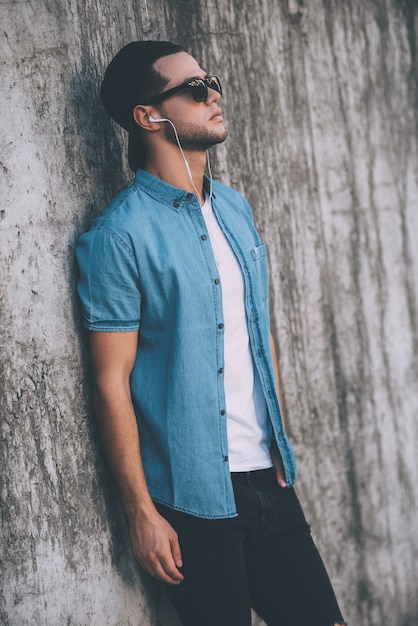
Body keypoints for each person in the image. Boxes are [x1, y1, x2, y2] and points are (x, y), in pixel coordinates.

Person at [76, 40, 347, 626]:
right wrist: (140, 512)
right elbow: (109, 380)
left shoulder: (234, 208)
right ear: (148, 116)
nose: (214, 95)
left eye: (213, 82)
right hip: (190, 496)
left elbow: (257, 331)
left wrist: (278, 433)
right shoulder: (120, 236)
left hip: (268, 482)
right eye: (195, 89)